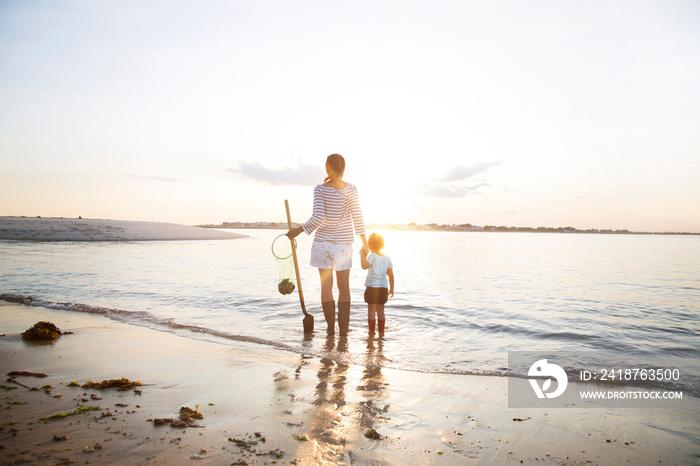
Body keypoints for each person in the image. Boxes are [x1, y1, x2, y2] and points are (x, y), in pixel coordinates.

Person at [287, 154, 369, 335]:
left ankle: (331, 330)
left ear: (326, 168)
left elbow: (318, 217)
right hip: (342, 246)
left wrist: (297, 231)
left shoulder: (320, 189)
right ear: (344, 169)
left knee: (326, 287)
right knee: (344, 288)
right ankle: (344, 333)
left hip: (322, 245)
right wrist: (365, 243)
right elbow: (358, 217)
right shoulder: (352, 189)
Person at [360, 233, 394, 334]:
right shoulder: (387, 258)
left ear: (369, 246)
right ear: (382, 245)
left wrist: (362, 255)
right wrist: (392, 288)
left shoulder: (372, 256)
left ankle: (371, 332)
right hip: (383, 288)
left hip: (372, 287)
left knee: (371, 310)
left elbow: (364, 266)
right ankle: (381, 332)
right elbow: (391, 275)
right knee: (381, 311)